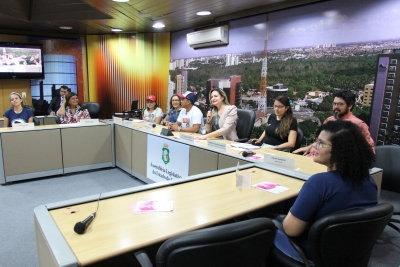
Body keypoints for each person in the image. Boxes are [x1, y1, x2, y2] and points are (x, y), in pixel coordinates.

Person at [272, 120, 377, 264]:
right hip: (349, 255)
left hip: (313, 255)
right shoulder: (369, 181)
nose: (315, 146)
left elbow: (291, 230)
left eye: (321, 143)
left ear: (339, 150)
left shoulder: (319, 183)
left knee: (267, 227)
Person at [293, 89, 375, 155]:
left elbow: (369, 150)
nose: (336, 107)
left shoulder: (358, 124)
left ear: (350, 106)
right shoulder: (330, 120)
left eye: (340, 104)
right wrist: (309, 147)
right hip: (313, 155)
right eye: (334, 104)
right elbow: (320, 141)